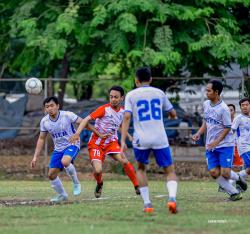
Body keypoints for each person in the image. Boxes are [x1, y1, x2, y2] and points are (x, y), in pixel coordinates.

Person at [121, 67, 178, 214]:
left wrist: (122, 141)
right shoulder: (159, 93)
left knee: (141, 168)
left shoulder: (131, 95)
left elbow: (127, 117)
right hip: (160, 137)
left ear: (136, 80)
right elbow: (172, 112)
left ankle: (147, 204)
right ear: (151, 79)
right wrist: (171, 117)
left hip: (141, 139)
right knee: (169, 170)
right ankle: (172, 198)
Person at [69, 86, 140, 198]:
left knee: (125, 161)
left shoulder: (122, 112)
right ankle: (99, 183)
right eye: (111, 97)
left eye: (116, 97)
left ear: (122, 98)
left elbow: (119, 126)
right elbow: (86, 119)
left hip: (111, 143)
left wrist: (128, 137)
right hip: (96, 143)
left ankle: (137, 186)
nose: (113, 99)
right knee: (98, 170)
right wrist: (77, 133)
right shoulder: (104, 109)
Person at [192, 80, 247, 201]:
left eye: (209, 90)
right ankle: (235, 192)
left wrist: (217, 141)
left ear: (216, 92)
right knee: (213, 173)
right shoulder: (206, 104)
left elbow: (228, 127)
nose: (206, 92)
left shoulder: (223, 108)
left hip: (225, 145)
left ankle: (237, 180)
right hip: (210, 145)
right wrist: (198, 133)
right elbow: (206, 121)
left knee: (225, 173)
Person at [31, 96, 84, 203]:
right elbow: (41, 139)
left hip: (72, 144)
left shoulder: (67, 115)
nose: (50, 108)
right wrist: (35, 157)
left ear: (58, 106)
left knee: (65, 161)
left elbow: (83, 121)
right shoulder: (44, 121)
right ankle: (62, 195)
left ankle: (76, 183)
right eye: (47, 107)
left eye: (52, 105)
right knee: (51, 175)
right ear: (45, 109)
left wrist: (79, 134)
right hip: (58, 149)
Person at [231, 97, 250, 188]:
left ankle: (231, 182)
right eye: (242, 105)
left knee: (248, 170)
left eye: (247, 105)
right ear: (240, 107)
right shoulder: (238, 118)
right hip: (244, 146)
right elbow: (231, 131)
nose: (245, 107)